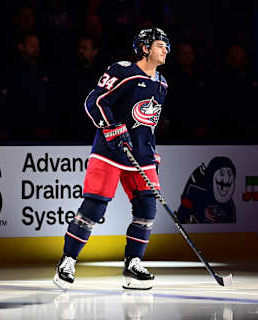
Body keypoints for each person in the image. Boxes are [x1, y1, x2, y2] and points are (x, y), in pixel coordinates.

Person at [53, 28, 170, 290]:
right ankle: (67, 261)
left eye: (166, 46)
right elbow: (94, 101)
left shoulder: (162, 84)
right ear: (144, 48)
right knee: (94, 208)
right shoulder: (123, 71)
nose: (165, 50)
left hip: (141, 156)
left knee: (147, 209)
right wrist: (112, 126)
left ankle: (133, 264)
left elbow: (149, 124)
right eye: (160, 45)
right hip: (109, 152)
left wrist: (152, 153)